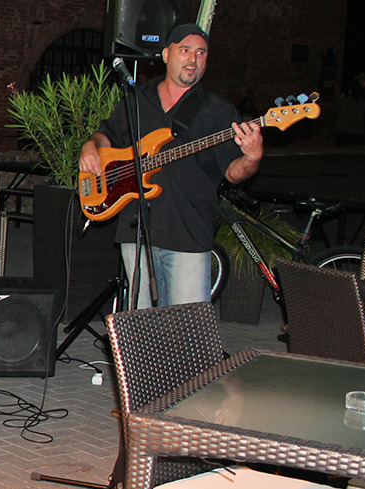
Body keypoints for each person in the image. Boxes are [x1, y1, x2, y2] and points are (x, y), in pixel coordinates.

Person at [78, 24, 263, 308]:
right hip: (136, 230)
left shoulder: (218, 111)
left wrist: (252, 157)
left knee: (187, 325)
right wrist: (90, 146)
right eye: (185, 50)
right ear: (166, 55)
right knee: (140, 325)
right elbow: (106, 135)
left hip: (188, 233)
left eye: (201, 52)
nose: (193, 59)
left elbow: (233, 173)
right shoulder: (138, 99)